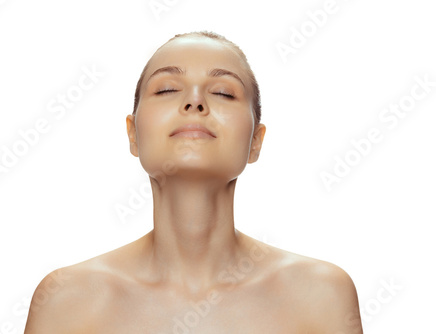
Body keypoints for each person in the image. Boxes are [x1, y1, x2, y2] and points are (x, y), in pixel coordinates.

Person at [24, 31, 363, 333]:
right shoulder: (66, 302)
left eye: (224, 93)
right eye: (168, 89)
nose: (195, 101)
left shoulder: (322, 296)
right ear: (133, 134)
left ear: (256, 141)